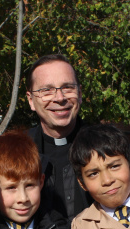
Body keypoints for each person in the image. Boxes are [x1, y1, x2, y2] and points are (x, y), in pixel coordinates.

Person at [26, 54, 91, 218]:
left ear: (80, 93)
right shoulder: (16, 151)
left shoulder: (109, 145)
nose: (60, 98)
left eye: (68, 87)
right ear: (31, 100)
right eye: (46, 90)